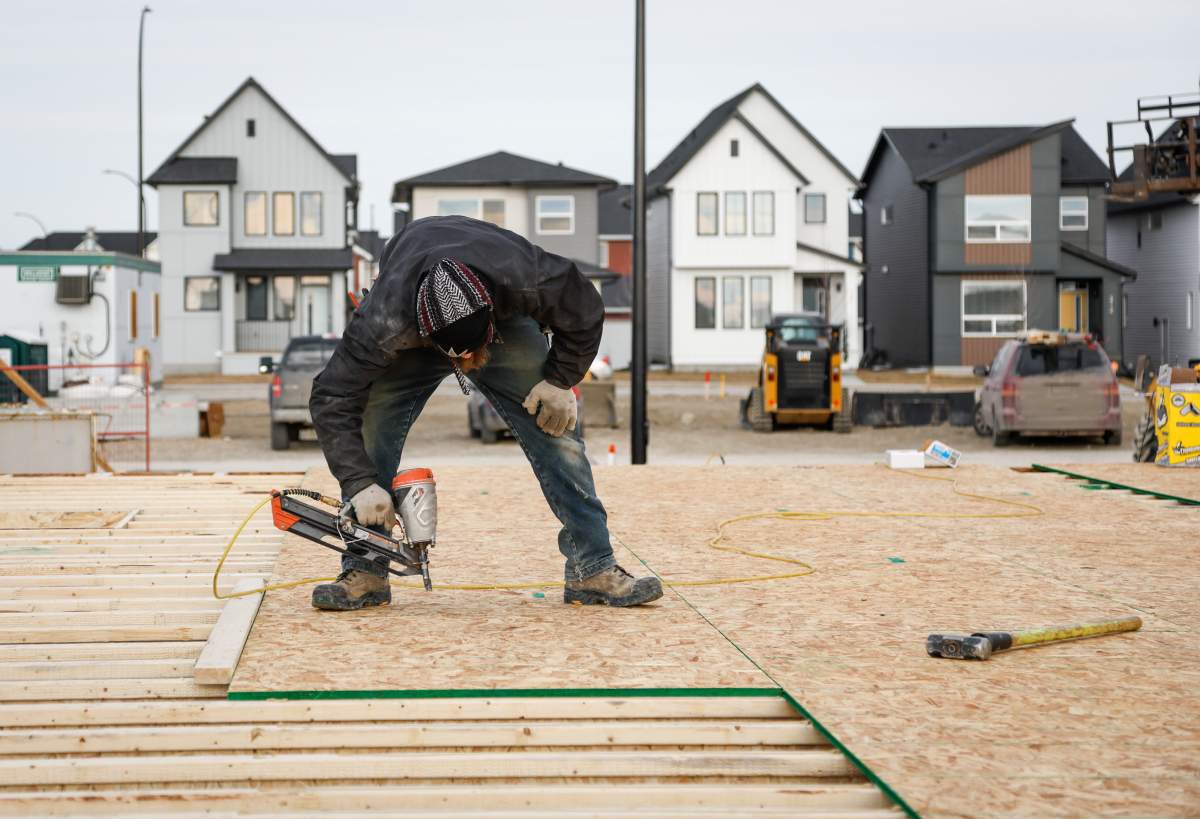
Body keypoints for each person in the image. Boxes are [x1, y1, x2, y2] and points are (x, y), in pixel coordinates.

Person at [307, 215, 662, 611]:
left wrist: (561, 380)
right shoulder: (383, 322)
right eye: (456, 355)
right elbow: (331, 395)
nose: (466, 362)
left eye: (471, 352)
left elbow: (584, 307)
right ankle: (366, 571)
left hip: (505, 327)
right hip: (412, 327)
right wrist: (359, 483)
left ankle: (593, 567)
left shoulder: (525, 276)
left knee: (555, 431)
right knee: (372, 426)